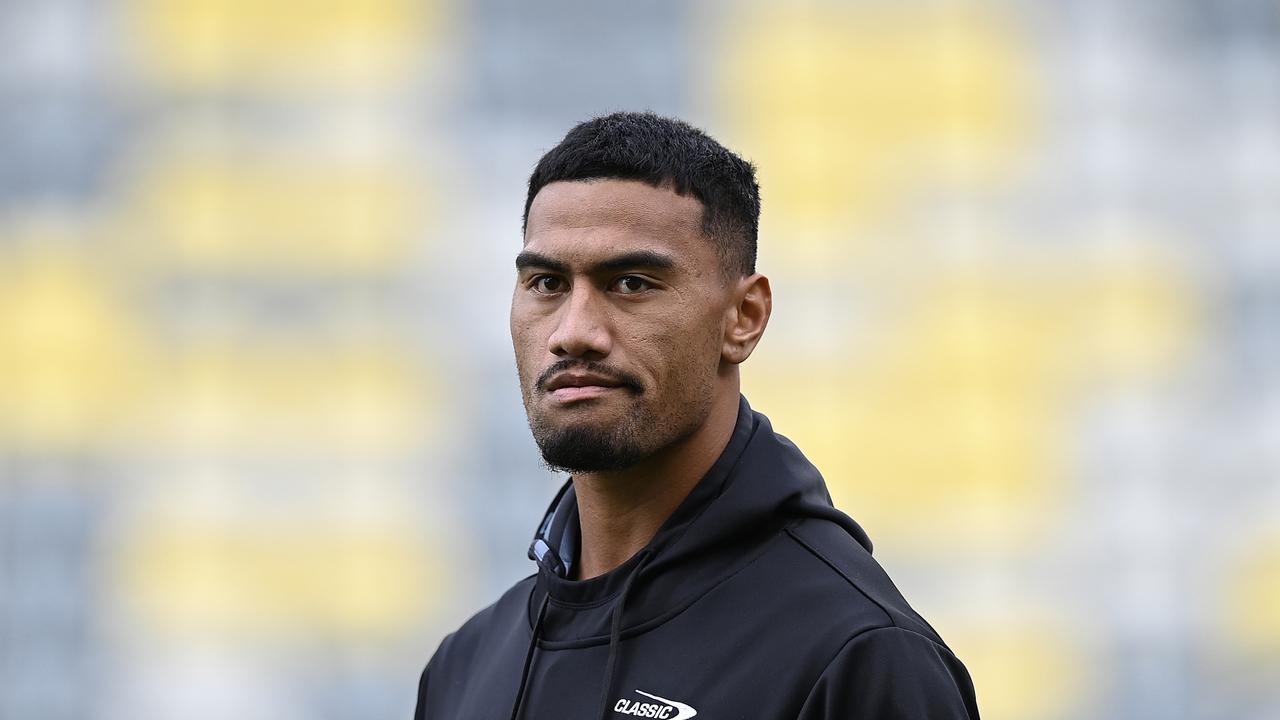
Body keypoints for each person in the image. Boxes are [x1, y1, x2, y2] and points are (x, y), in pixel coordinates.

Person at [414, 111, 979, 719]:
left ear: (744, 317)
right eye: (547, 284)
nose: (573, 333)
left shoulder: (855, 657)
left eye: (631, 283)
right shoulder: (465, 666)